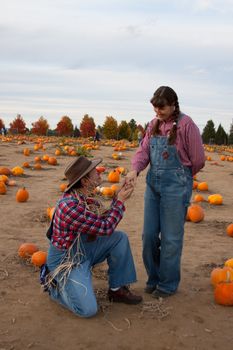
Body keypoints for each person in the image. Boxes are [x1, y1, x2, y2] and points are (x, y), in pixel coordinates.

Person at [126, 86, 205, 298]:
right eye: (155, 108)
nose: (158, 112)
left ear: (173, 105)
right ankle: (154, 277)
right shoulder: (153, 125)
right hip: (153, 185)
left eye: (162, 108)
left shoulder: (187, 125)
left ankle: (167, 284)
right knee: (149, 235)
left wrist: (183, 177)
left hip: (176, 186)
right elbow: (143, 151)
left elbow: (198, 160)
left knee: (171, 238)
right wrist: (135, 170)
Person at [43, 156, 142, 318]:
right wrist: (121, 202)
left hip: (82, 251)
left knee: (119, 238)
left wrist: (118, 196)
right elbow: (105, 227)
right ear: (84, 181)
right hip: (66, 261)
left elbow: (101, 222)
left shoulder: (83, 199)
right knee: (88, 310)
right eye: (94, 171)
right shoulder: (69, 207)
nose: (99, 172)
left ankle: (117, 289)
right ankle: (55, 287)